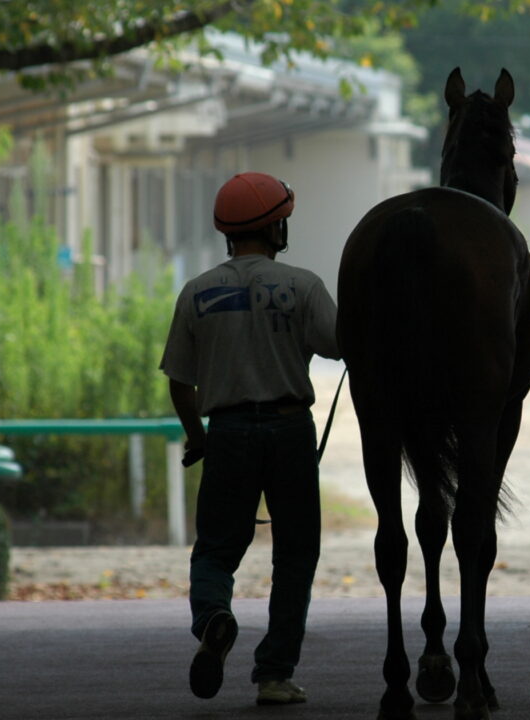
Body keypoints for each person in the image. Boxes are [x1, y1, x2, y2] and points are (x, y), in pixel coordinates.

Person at [160, 171, 341, 706]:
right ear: (277, 227)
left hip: (229, 433)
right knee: (295, 553)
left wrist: (198, 438)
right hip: (289, 430)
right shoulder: (303, 285)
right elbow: (340, 344)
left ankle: (214, 616)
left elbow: (179, 381)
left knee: (216, 548)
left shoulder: (197, 293)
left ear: (227, 233)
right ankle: (274, 675)